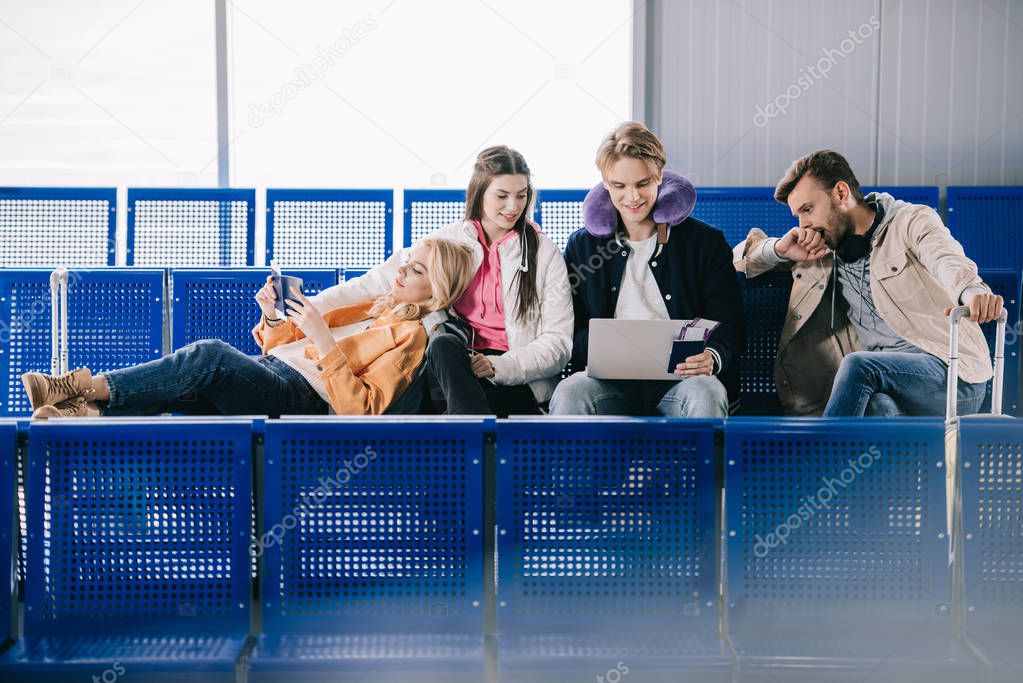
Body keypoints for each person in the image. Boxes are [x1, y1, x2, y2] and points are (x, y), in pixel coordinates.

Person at [22, 238, 475, 418]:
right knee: (185, 391)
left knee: (209, 355)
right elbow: (284, 345)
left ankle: (77, 386)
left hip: (302, 398)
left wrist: (320, 337)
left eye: (416, 272)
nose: (401, 272)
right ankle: (80, 412)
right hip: (275, 369)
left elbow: (362, 409)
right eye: (407, 262)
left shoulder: (412, 337)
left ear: (436, 293)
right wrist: (275, 318)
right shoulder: (374, 307)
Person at [734, 149, 1003, 417]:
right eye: (798, 216)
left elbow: (946, 259)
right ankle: (884, 460)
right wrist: (780, 249)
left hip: (951, 376)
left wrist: (972, 292)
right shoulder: (820, 248)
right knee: (877, 408)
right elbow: (739, 260)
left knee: (858, 366)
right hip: (886, 385)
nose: (804, 224)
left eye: (808, 209)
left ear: (841, 193)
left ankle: (820, 455)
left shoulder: (910, 221)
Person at [315, 146, 573, 417]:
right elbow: (376, 282)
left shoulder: (544, 253)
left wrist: (500, 365)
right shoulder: (450, 241)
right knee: (442, 345)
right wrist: (306, 307)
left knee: (440, 383)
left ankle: (467, 440)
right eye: (502, 195)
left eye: (521, 196)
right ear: (480, 192)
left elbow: (558, 342)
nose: (513, 207)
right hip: (449, 366)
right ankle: (475, 440)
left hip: (514, 380)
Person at [549, 122, 745, 417]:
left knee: (707, 393)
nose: (632, 197)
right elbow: (566, 330)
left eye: (642, 184)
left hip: (683, 382)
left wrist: (712, 356)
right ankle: (579, 467)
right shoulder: (582, 247)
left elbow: (729, 321)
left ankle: (696, 466)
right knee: (569, 392)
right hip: (607, 384)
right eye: (619, 186)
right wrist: (598, 350)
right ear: (605, 184)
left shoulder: (704, 243)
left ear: (659, 179)